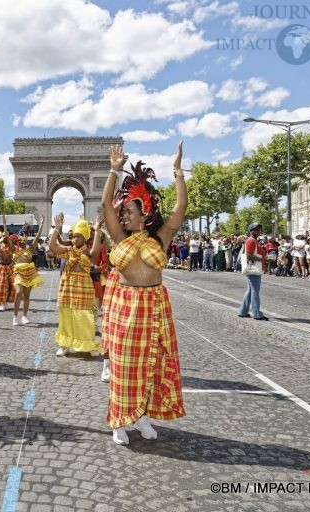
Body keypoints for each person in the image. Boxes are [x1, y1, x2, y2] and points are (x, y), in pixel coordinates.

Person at [101, 142, 186, 446]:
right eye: (122, 211)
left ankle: (142, 417)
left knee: (153, 363)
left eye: (129, 210)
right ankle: (119, 420)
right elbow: (104, 205)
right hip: (125, 307)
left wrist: (178, 171)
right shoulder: (118, 236)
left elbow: (180, 208)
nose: (122, 215)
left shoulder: (161, 237)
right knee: (124, 366)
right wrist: (113, 169)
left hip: (154, 306)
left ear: (144, 211)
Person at [49, 214, 101, 357]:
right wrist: (57, 229)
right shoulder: (68, 251)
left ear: (85, 238)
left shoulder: (88, 252)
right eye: (73, 236)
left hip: (84, 288)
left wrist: (97, 230)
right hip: (68, 286)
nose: (74, 239)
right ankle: (64, 345)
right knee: (66, 315)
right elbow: (52, 247)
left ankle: (86, 344)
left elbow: (96, 252)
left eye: (78, 236)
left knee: (84, 316)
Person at [12, 215, 45, 326]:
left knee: (26, 296)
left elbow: (37, 237)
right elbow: (7, 237)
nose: (22, 242)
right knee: (18, 292)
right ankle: (15, 316)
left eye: (24, 240)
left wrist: (41, 224)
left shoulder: (30, 249)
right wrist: (5, 224)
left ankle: (24, 316)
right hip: (18, 274)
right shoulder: (14, 249)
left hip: (29, 273)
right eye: (20, 240)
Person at [238, 223, 268, 320]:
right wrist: (263, 259)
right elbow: (249, 255)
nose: (259, 231)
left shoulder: (253, 240)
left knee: (250, 290)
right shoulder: (251, 240)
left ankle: (243, 311)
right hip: (254, 268)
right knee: (255, 291)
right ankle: (256, 313)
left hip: (252, 268)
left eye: (259, 229)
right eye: (257, 229)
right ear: (251, 231)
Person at [0, 217, 16, 312]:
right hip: (2, 267)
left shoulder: (12, 247)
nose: (5, 237)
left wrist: (4, 225)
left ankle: (6, 302)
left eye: (6, 236)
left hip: (11, 267)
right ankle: (1, 303)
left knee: (12, 286)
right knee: (1, 286)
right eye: (3, 236)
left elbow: (7, 235)